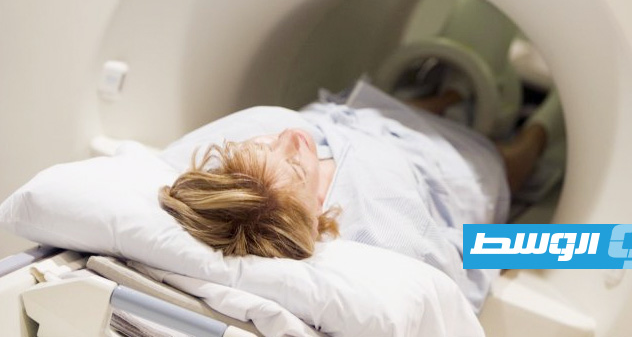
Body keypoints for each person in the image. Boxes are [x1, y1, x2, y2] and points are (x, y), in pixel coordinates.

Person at [159, 78, 563, 311]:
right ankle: (548, 118)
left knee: (417, 101)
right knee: (512, 160)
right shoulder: (386, 231)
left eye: (264, 146)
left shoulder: (228, 167)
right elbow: (474, 254)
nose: (290, 137)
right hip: (443, 167)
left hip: (364, 118)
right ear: (311, 216)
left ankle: (454, 91)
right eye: (296, 167)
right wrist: (591, 246)